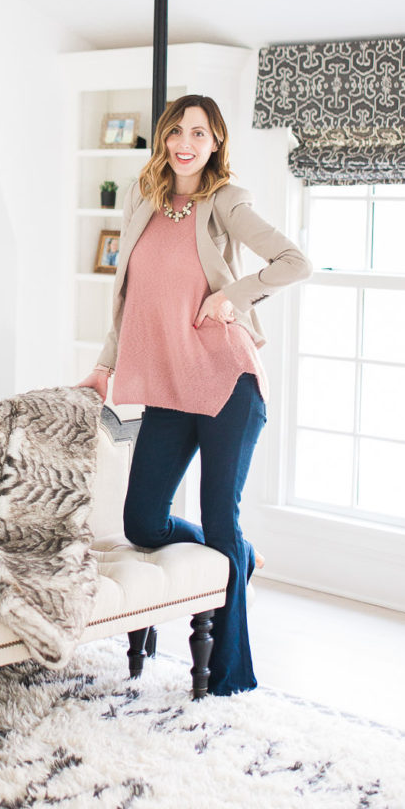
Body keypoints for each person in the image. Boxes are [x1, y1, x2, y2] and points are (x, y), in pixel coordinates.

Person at [78, 94, 311, 696]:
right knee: (142, 520)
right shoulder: (142, 200)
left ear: (215, 144)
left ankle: (229, 676)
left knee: (219, 517)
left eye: (199, 133)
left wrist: (235, 293)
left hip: (227, 383)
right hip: (169, 389)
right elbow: (131, 302)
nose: (186, 142)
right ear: (163, 138)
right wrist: (105, 366)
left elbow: (294, 261)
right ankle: (239, 555)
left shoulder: (226, 201)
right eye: (177, 130)